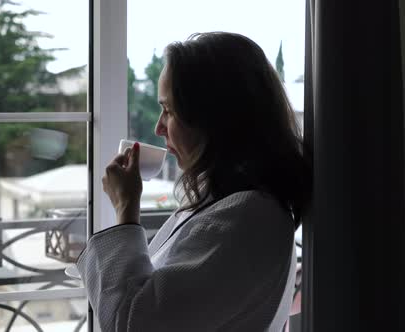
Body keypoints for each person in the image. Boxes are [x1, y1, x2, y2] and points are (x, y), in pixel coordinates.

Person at [76, 32, 312, 332]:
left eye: (169, 110)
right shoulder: (226, 204)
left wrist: (126, 209)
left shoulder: (248, 217)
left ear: (213, 118)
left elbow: (134, 324)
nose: (159, 128)